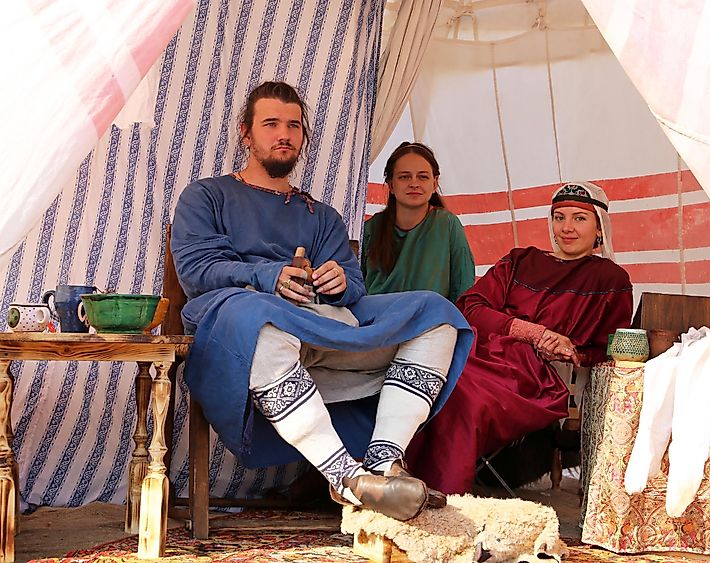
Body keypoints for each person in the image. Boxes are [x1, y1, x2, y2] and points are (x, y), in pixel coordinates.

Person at [170, 81, 472, 521]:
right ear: (246, 134)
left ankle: (383, 464)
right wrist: (266, 276)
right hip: (239, 330)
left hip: (321, 324)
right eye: (271, 124)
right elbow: (197, 271)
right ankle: (345, 477)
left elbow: (354, 283)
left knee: (437, 313)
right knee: (257, 317)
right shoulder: (206, 196)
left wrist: (339, 281)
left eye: (293, 125)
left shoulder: (321, 214)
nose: (284, 134)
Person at [405, 181, 634, 494]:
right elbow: (471, 306)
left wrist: (571, 351)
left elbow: (611, 350)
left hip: (534, 376)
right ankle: (393, 479)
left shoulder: (610, 279)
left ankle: (439, 494)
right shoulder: (520, 260)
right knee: (422, 378)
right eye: (559, 217)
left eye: (579, 219)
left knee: (462, 395)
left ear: (599, 228)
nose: (566, 227)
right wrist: (532, 332)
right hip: (477, 351)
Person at [362, 142, 475, 302]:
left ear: (434, 183)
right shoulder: (371, 229)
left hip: (432, 323)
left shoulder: (448, 225)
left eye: (422, 177)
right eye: (404, 177)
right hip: (377, 321)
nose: (414, 183)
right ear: (391, 184)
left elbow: (464, 292)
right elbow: (356, 288)